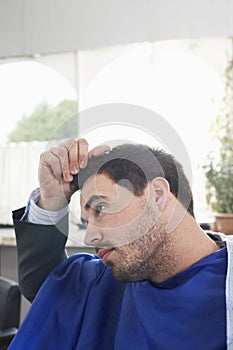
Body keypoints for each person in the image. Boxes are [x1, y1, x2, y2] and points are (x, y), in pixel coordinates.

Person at [9, 138, 233, 350]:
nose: (90, 238)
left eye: (101, 208)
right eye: (86, 223)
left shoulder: (225, 286)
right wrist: (52, 198)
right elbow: (48, 287)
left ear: (157, 194)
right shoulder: (105, 278)